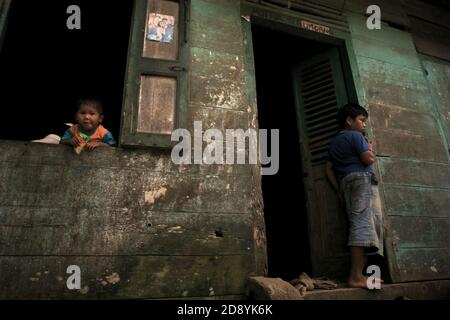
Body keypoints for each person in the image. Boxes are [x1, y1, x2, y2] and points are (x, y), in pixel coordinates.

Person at [325, 103, 383, 289]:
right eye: (361, 120)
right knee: (363, 225)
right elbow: (368, 159)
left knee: (363, 223)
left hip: (346, 182)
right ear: (349, 121)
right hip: (361, 179)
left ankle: (363, 275)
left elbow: (328, 170)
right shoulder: (356, 136)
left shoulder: (334, 142)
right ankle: (356, 276)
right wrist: (370, 148)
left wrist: (339, 190)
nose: (364, 124)